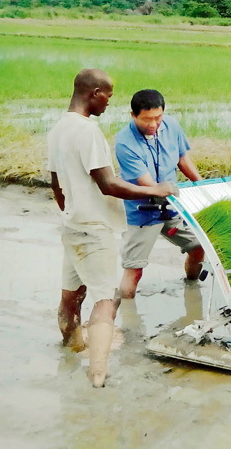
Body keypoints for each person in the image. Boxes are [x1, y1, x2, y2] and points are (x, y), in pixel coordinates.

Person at [47, 69, 176, 387]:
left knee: (70, 298)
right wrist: (155, 190)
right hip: (95, 230)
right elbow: (107, 184)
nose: (108, 102)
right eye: (108, 95)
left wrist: (73, 214)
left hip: (72, 227)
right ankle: (99, 375)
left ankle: (72, 348)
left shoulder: (58, 129)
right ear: (93, 92)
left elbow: (57, 187)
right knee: (105, 302)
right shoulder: (88, 132)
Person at [115, 89, 204, 299]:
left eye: (158, 118)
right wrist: (162, 191)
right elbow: (149, 184)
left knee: (198, 247)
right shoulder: (125, 142)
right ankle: (127, 312)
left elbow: (183, 159)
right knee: (134, 268)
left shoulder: (171, 125)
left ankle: (192, 289)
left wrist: (201, 185)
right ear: (133, 115)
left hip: (172, 206)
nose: (154, 124)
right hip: (143, 211)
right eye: (147, 120)